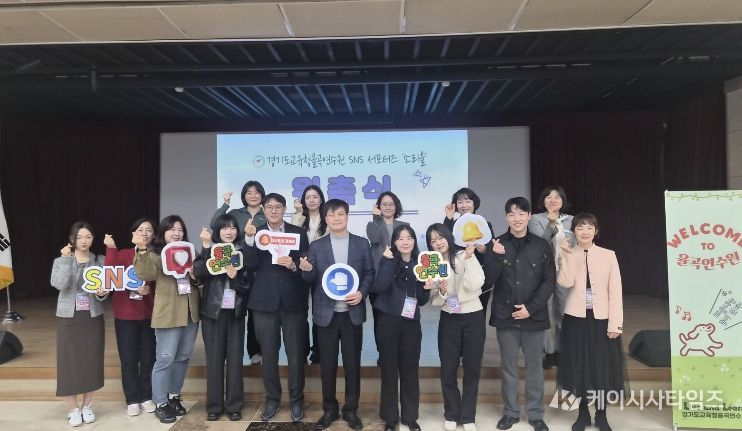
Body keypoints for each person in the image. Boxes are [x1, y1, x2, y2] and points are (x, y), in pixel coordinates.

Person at [299, 199, 374, 431]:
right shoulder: (317, 246)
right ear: (326, 218)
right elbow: (310, 280)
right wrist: (306, 270)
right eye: (331, 215)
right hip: (326, 315)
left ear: (347, 216)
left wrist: (361, 293)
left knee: (352, 365)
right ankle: (329, 410)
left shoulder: (361, 243)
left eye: (340, 214)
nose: (336, 218)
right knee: (327, 366)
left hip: (352, 314)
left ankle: (351, 410)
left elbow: (369, 273)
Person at [243, 193, 310, 423]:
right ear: (264, 209)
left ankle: (297, 400)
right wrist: (249, 239)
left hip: (293, 302)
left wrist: (294, 265)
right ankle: (272, 398)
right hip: (264, 303)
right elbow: (250, 264)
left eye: (278, 207)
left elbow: (306, 265)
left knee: (296, 354)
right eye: (269, 207)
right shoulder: (256, 233)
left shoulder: (298, 233)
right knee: (269, 355)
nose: (273, 211)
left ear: (284, 209)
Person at [489, 198, 555, 431]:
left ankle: (536, 414)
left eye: (521, 214)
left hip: (534, 317)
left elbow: (549, 281)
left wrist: (531, 308)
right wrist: (497, 257)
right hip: (505, 316)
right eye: (511, 214)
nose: (516, 219)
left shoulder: (541, 245)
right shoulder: (497, 243)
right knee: (508, 367)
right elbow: (488, 280)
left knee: (535, 367)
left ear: (529, 216)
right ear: (506, 217)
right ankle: (511, 412)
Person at [556, 213, 624, 431]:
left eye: (589, 227)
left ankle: (601, 414)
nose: (584, 231)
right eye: (580, 227)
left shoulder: (608, 255)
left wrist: (616, 324)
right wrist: (566, 255)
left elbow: (615, 291)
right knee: (578, 366)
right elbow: (565, 282)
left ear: (596, 231)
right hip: (576, 319)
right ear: (574, 231)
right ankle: (583, 413)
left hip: (602, 320)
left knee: (601, 367)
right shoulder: (569, 252)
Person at [133, 215, 201, 424]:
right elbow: (145, 273)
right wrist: (142, 249)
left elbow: (201, 280)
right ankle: (160, 403)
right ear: (163, 233)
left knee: (183, 357)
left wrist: (196, 277)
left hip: (190, 313)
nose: (176, 233)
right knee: (165, 359)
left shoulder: (191, 252)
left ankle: (174, 396)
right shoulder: (156, 254)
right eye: (172, 229)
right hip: (168, 314)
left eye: (180, 229)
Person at [426, 223, 486, 431]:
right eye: (433, 241)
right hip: (449, 318)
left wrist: (469, 259)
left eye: (440, 237)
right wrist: (441, 291)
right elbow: (434, 299)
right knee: (448, 368)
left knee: (472, 368)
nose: (438, 243)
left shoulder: (463, 255)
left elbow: (476, 283)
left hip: (473, 316)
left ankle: (468, 416)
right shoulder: (433, 263)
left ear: (448, 237)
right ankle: (451, 413)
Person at [371, 225, 431, 431]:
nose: (405, 242)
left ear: (414, 241)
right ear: (394, 242)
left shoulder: (422, 263)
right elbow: (378, 287)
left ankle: (410, 416)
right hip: (388, 321)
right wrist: (387, 261)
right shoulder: (388, 260)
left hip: (411, 323)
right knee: (389, 370)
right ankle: (390, 417)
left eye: (409, 238)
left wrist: (427, 288)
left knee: (410, 371)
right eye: (400, 238)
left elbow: (421, 300)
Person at [193, 215, 252, 421]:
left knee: (235, 360)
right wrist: (206, 246)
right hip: (212, 313)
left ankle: (235, 405)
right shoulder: (211, 251)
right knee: (214, 360)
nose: (229, 231)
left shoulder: (242, 252)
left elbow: (247, 285)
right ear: (218, 231)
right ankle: (214, 406)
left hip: (235, 313)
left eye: (233, 228)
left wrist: (235, 278)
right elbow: (199, 272)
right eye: (225, 228)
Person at [51, 221, 107, 427]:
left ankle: (87, 405)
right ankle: (73, 409)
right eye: (79, 237)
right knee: (69, 361)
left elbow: (104, 292)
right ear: (72, 239)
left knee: (91, 360)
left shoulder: (100, 261)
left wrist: (102, 293)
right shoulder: (61, 260)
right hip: (69, 317)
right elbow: (59, 284)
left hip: (92, 317)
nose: (84, 241)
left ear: (93, 239)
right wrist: (67, 260)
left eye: (88, 237)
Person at [103, 218, 158, 417]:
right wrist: (111, 249)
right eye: (140, 230)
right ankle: (132, 399)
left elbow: (164, 285)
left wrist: (149, 291)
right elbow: (109, 274)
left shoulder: (157, 255)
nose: (144, 233)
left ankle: (147, 396)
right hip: (125, 316)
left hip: (150, 315)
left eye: (149, 230)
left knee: (148, 359)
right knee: (128, 360)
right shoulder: (124, 254)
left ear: (154, 235)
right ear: (133, 233)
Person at [212, 180, 266, 365]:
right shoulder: (236, 213)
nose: (253, 195)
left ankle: (256, 351)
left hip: (259, 268)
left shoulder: (267, 213)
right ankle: (231, 353)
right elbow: (215, 224)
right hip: (236, 267)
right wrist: (225, 204)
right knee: (236, 310)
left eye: (256, 192)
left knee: (255, 313)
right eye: (249, 192)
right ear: (244, 196)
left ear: (262, 195)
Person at [528, 186, 574, 369]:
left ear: (563, 201)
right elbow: (540, 242)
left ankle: (564, 351)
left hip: (565, 272)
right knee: (545, 313)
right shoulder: (535, 219)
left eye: (557, 197)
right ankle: (549, 352)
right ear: (543, 201)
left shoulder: (571, 220)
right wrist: (551, 224)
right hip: (543, 273)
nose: (553, 200)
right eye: (548, 197)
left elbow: (577, 245)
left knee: (564, 313)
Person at [366, 191, 409, 366]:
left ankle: (398, 351)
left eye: (391, 204)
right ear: (378, 207)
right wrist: (377, 219)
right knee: (380, 320)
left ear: (396, 206)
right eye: (384, 204)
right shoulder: (372, 225)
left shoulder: (404, 225)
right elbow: (377, 240)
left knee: (400, 318)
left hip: (400, 278)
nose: (388, 207)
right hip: (379, 279)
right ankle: (383, 353)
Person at [442, 187, 496, 312]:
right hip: (457, 276)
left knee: (479, 311)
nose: (464, 205)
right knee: (456, 312)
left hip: (479, 276)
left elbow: (492, 248)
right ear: (455, 205)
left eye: (468, 201)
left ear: (474, 203)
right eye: (460, 202)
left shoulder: (484, 224)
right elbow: (444, 243)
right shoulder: (452, 224)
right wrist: (449, 218)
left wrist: (484, 250)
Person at [292, 185, 329, 364]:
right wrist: (299, 214)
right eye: (308, 197)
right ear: (303, 201)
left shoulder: (328, 217)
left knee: (319, 312)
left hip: (322, 270)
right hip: (301, 267)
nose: (312, 200)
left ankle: (318, 351)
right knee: (301, 313)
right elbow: (292, 238)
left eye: (315, 196)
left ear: (321, 199)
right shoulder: (298, 217)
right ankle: (303, 349)